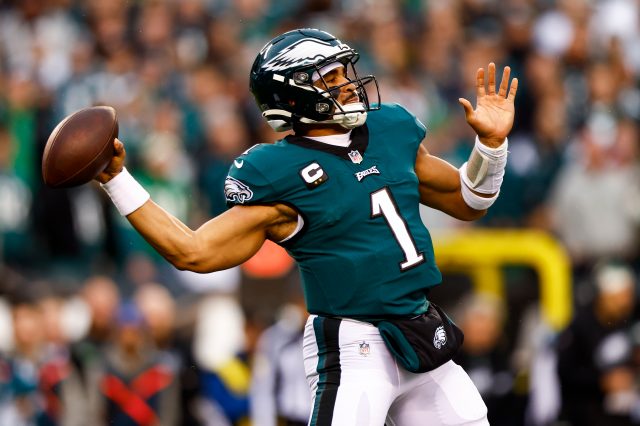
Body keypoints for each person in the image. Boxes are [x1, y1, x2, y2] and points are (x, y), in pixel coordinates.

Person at [94, 28, 517, 425]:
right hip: (355, 345)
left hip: (420, 328)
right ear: (294, 95)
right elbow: (192, 250)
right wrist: (117, 179)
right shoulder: (280, 172)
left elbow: (468, 200)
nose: (348, 83)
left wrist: (491, 146)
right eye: (330, 76)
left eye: (343, 71)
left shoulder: (389, 130)